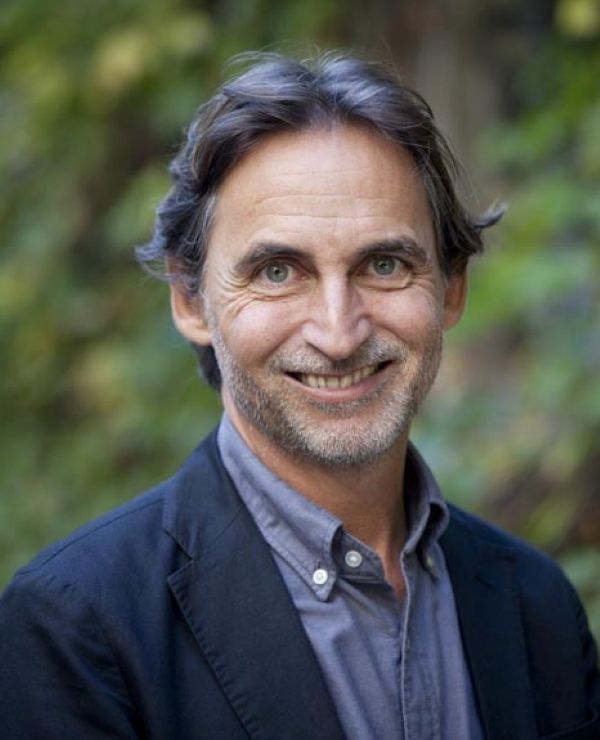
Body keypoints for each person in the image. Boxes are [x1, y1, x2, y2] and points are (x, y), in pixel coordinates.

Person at [0, 52, 598, 740]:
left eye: (384, 265)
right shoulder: (76, 628)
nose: (339, 334)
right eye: (279, 272)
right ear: (191, 301)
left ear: (450, 290)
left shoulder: (536, 606)